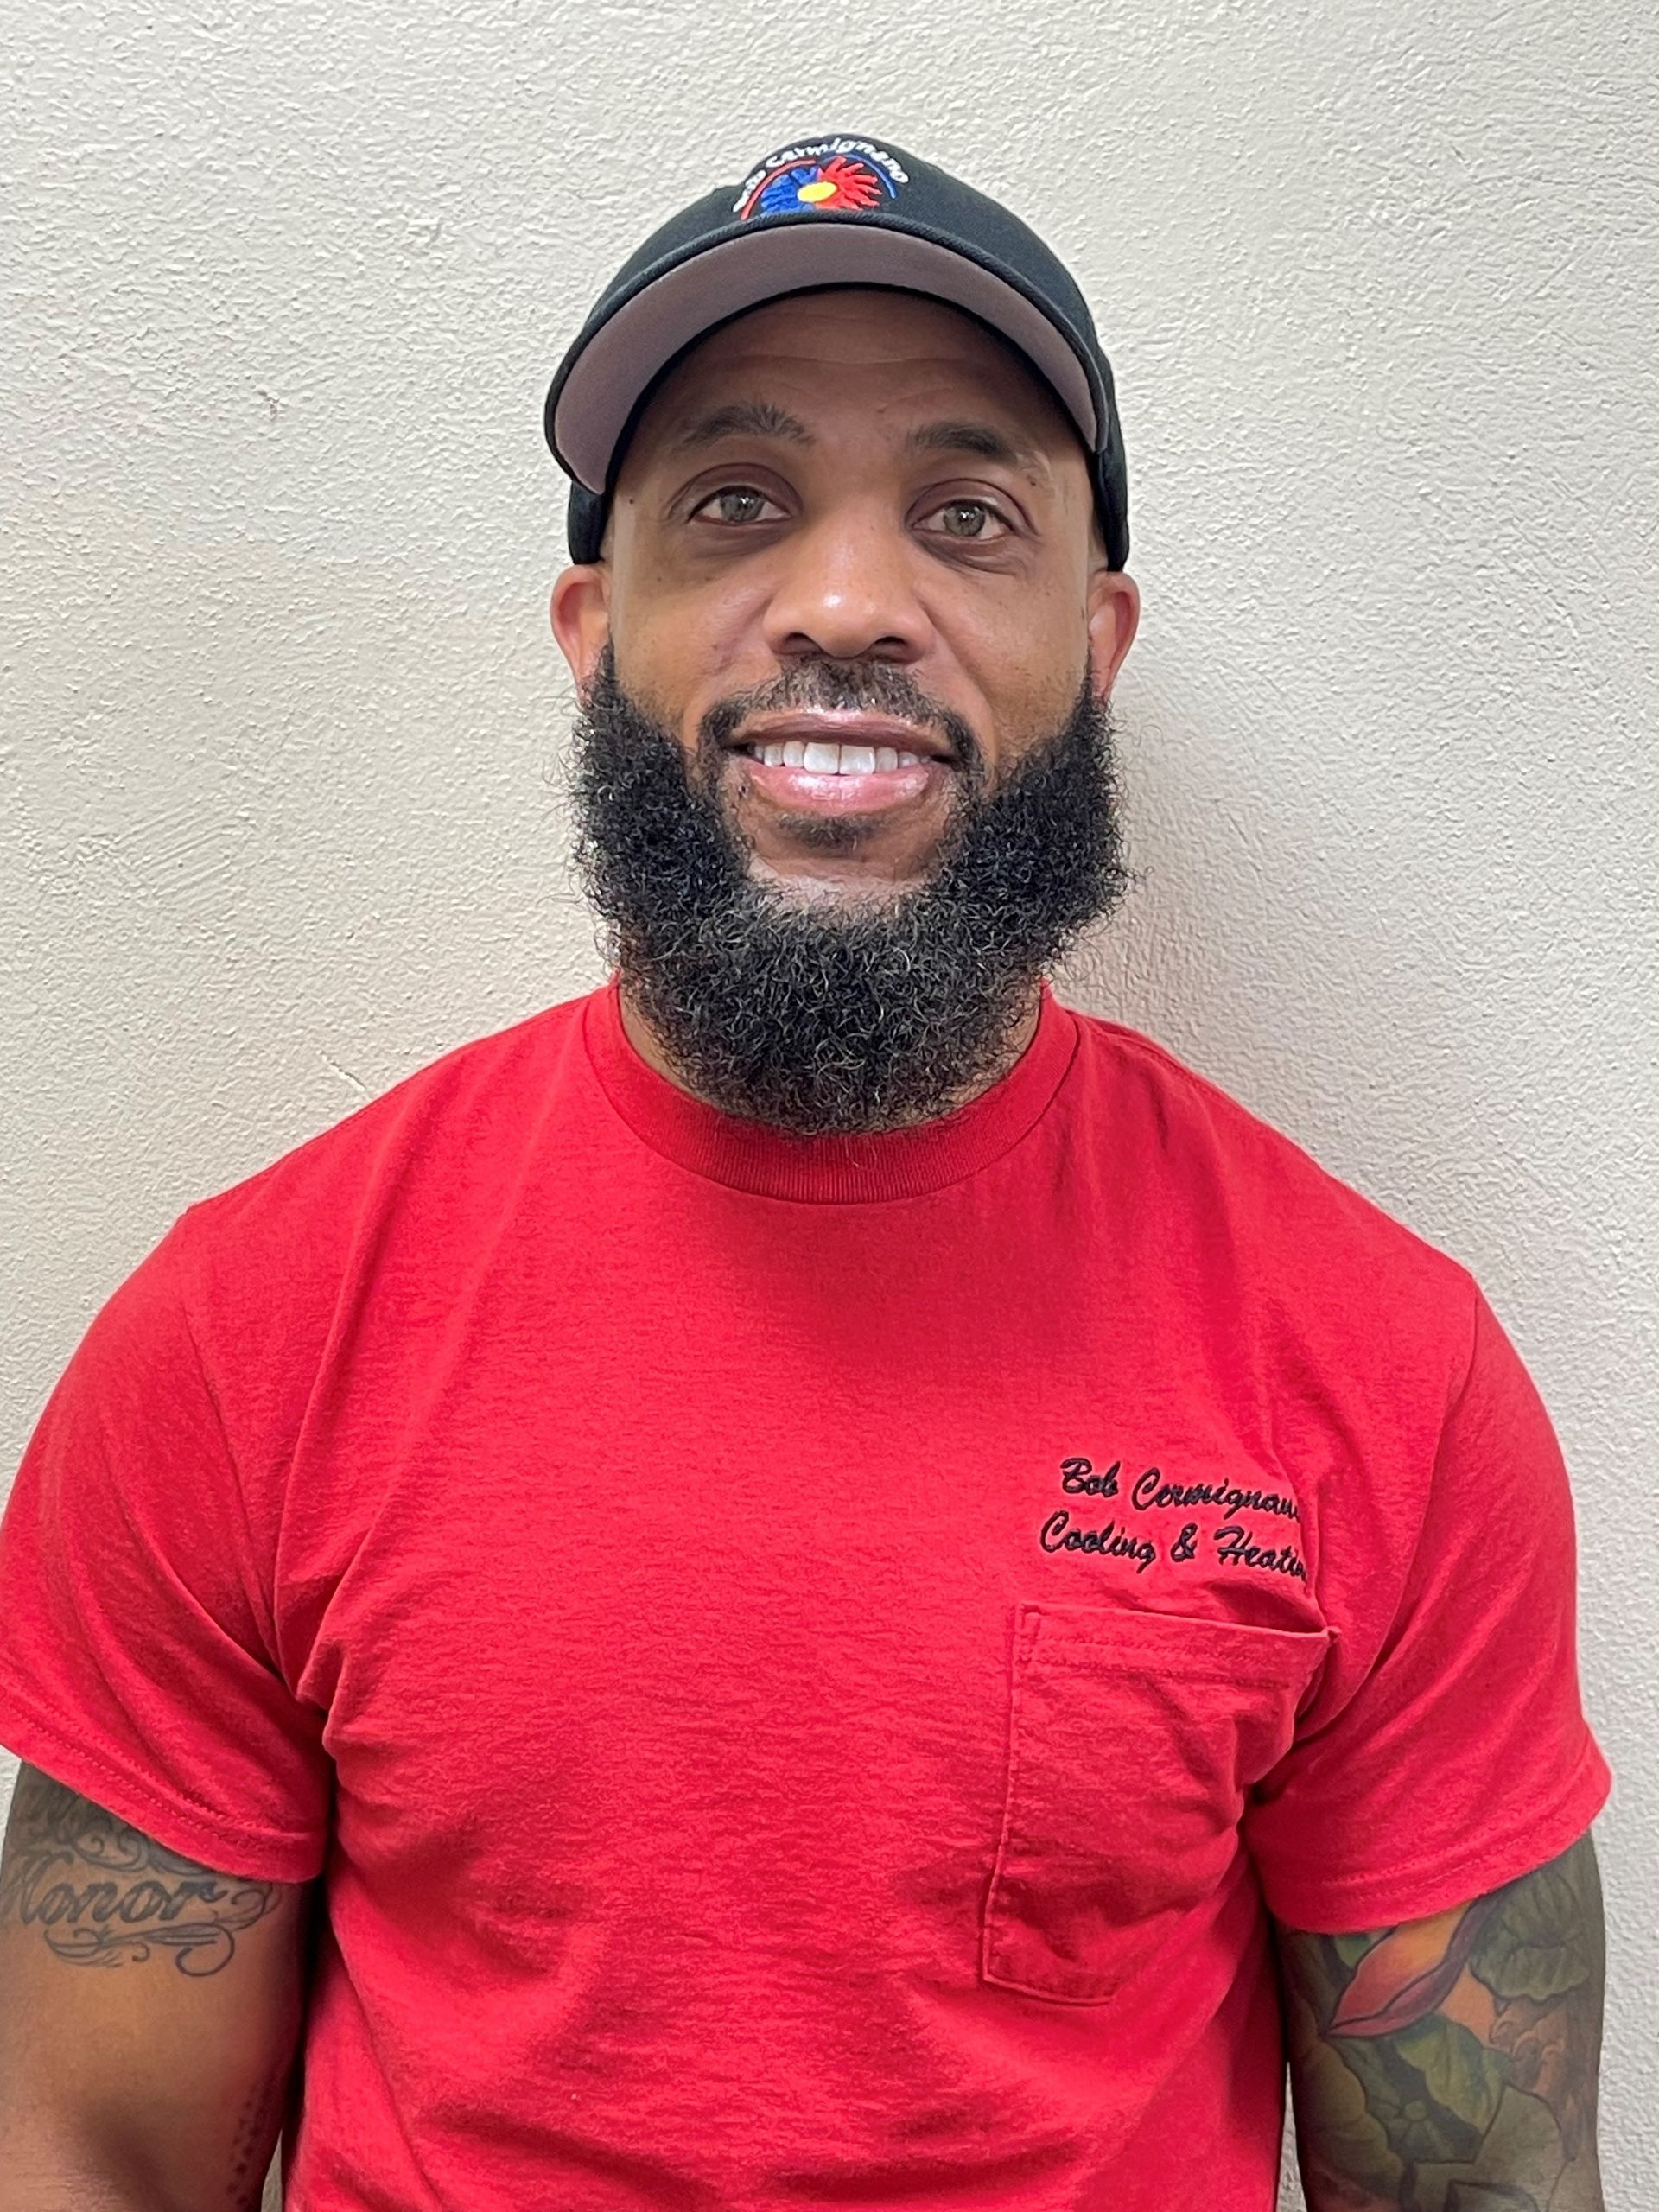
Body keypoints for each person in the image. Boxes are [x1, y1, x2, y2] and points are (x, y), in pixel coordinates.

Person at [0, 134, 1609, 2212]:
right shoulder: (248, 1333)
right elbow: (94, 2159)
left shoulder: (1384, 1367)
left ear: (1096, 644)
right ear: (599, 628)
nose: (849, 603)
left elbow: (1482, 2180)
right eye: (737, 505)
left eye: (967, 514)